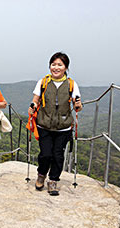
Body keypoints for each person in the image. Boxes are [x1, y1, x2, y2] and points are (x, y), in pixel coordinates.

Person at [28, 52, 83, 196]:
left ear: (66, 67)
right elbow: (36, 99)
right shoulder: (43, 82)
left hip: (63, 127)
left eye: (60, 65)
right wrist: (33, 106)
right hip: (44, 124)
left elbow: (78, 106)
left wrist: (78, 105)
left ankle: (53, 180)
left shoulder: (71, 84)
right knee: (45, 154)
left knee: (58, 155)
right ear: (50, 66)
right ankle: (41, 175)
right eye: (54, 64)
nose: (56, 67)